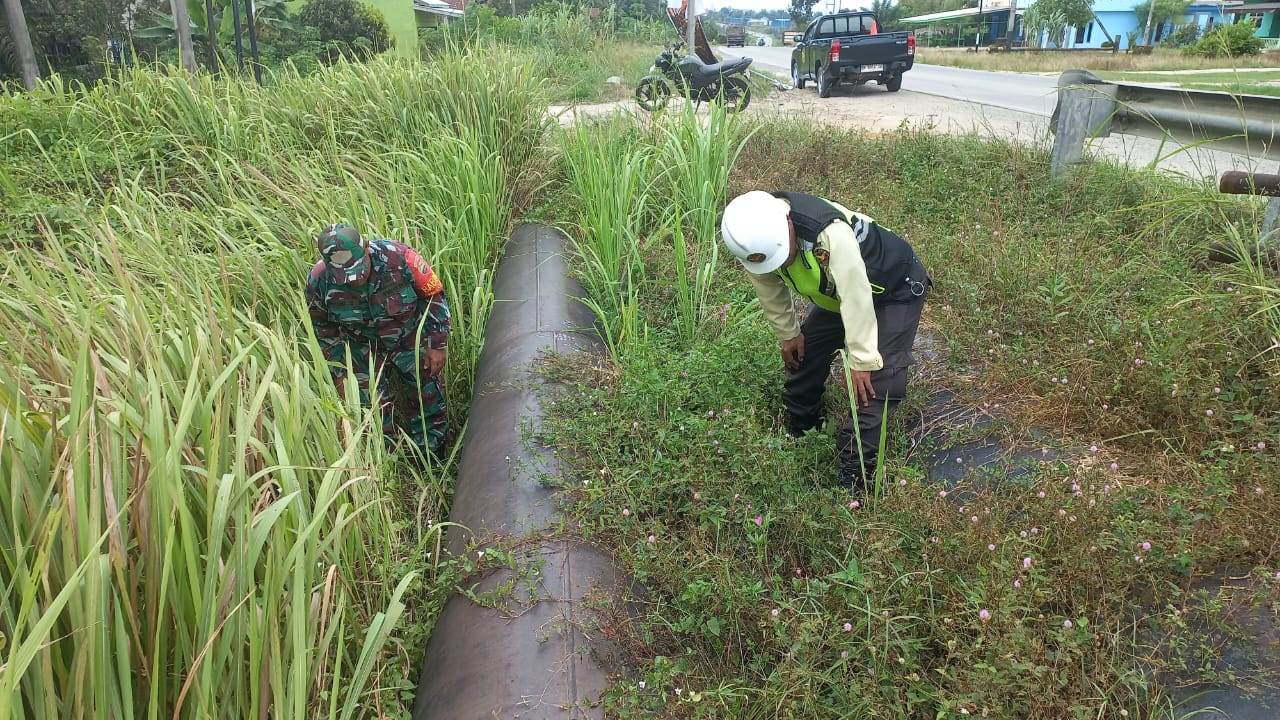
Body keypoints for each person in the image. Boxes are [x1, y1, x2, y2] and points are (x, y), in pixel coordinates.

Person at [720, 191, 929, 489]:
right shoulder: (753, 240)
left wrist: (861, 359)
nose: (783, 262)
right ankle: (802, 431)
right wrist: (788, 334)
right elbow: (767, 284)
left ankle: (857, 477)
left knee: (878, 381)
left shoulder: (829, 234)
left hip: (894, 289)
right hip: (836, 296)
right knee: (802, 355)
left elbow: (857, 295)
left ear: (788, 226)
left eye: (784, 254)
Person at [306, 223, 451, 456]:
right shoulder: (318, 281)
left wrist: (437, 343)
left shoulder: (401, 258)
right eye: (346, 277)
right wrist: (339, 372)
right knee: (369, 407)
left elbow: (433, 297)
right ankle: (389, 461)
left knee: (427, 395)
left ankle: (432, 453)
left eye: (359, 271)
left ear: (366, 250)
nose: (355, 280)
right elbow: (323, 329)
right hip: (362, 346)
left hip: (408, 337)